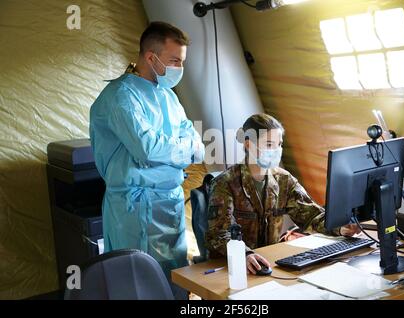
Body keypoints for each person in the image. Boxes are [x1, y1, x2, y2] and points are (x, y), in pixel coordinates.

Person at [89, 21, 205, 298]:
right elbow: (147, 149)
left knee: (176, 282)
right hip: (136, 208)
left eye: (182, 61)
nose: (180, 68)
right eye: (174, 60)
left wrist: (174, 148)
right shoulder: (120, 97)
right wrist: (181, 148)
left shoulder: (168, 97)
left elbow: (198, 148)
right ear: (151, 57)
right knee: (138, 286)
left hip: (170, 204)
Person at [205, 114, 359, 274]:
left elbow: (311, 215)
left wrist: (339, 227)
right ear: (249, 144)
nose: (276, 150)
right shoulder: (225, 183)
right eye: (269, 144)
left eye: (279, 144)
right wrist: (245, 254)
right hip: (231, 266)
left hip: (268, 262)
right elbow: (220, 233)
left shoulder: (284, 180)